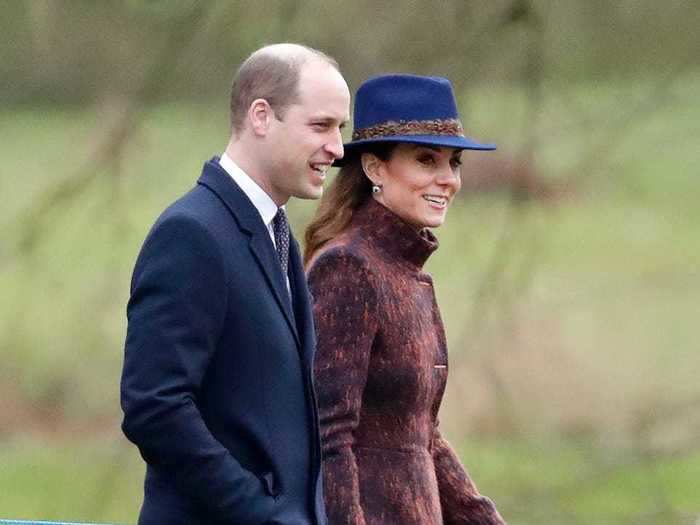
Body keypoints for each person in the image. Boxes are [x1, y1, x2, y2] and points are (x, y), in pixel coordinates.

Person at [120, 43, 350, 525]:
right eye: (321, 126)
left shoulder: (278, 235)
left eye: (340, 129)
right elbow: (154, 407)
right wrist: (257, 512)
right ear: (261, 116)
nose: (337, 148)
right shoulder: (192, 233)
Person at [304, 74, 507, 525]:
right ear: (375, 168)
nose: (447, 179)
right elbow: (327, 436)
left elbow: (420, 436)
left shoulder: (404, 272)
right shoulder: (349, 269)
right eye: (425, 159)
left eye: (453, 162)